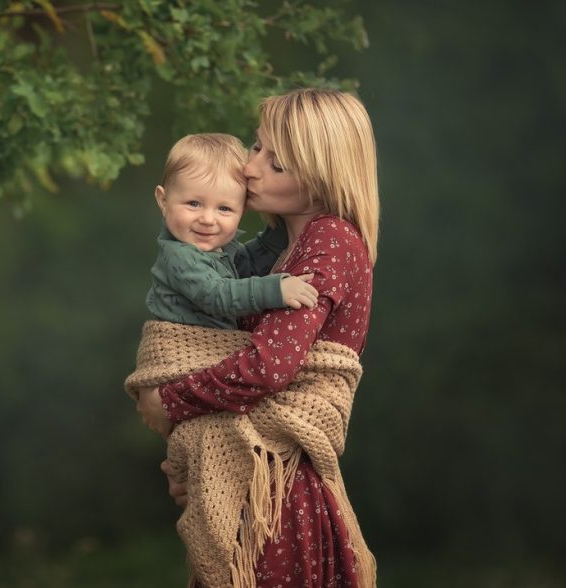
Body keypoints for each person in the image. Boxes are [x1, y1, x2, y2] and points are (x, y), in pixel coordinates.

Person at [132, 88, 380, 588]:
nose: (251, 168)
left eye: (278, 163)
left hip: (281, 493)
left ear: (321, 176)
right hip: (259, 478)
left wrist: (170, 401)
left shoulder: (329, 239)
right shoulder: (288, 243)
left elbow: (268, 368)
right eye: (256, 146)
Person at [145, 132, 318, 331]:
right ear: (163, 201)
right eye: (194, 204)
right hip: (184, 352)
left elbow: (249, 263)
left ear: (242, 211)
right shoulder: (179, 255)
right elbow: (217, 294)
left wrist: (287, 220)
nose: (208, 220)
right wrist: (276, 290)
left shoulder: (219, 249)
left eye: (224, 209)